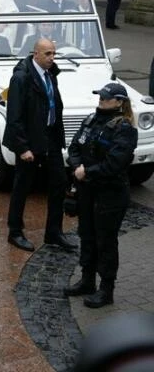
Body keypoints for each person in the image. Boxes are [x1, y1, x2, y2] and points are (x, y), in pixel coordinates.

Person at [65, 83, 137, 308]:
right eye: (100, 97)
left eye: (106, 99)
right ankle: (87, 280)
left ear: (118, 102)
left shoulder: (124, 129)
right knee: (86, 235)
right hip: (88, 190)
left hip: (111, 194)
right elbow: (75, 147)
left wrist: (87, 172)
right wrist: (78, 167)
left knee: (105, 240)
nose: (101, 101)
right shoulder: (90, 120)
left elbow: (115, 163)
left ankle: (106, 290)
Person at [3, 38, 77, 252]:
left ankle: (54, 232)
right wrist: (23, 148)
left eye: (54, 53)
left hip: (50, 137)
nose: (52, 58)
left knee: (59, 182)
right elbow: (14, 116)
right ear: (35, 54)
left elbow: (52, 104)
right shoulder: (21, 78)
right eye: (47, 54)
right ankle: (15, 231)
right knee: (22, 185)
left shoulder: (51, 73)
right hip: (30, 141)